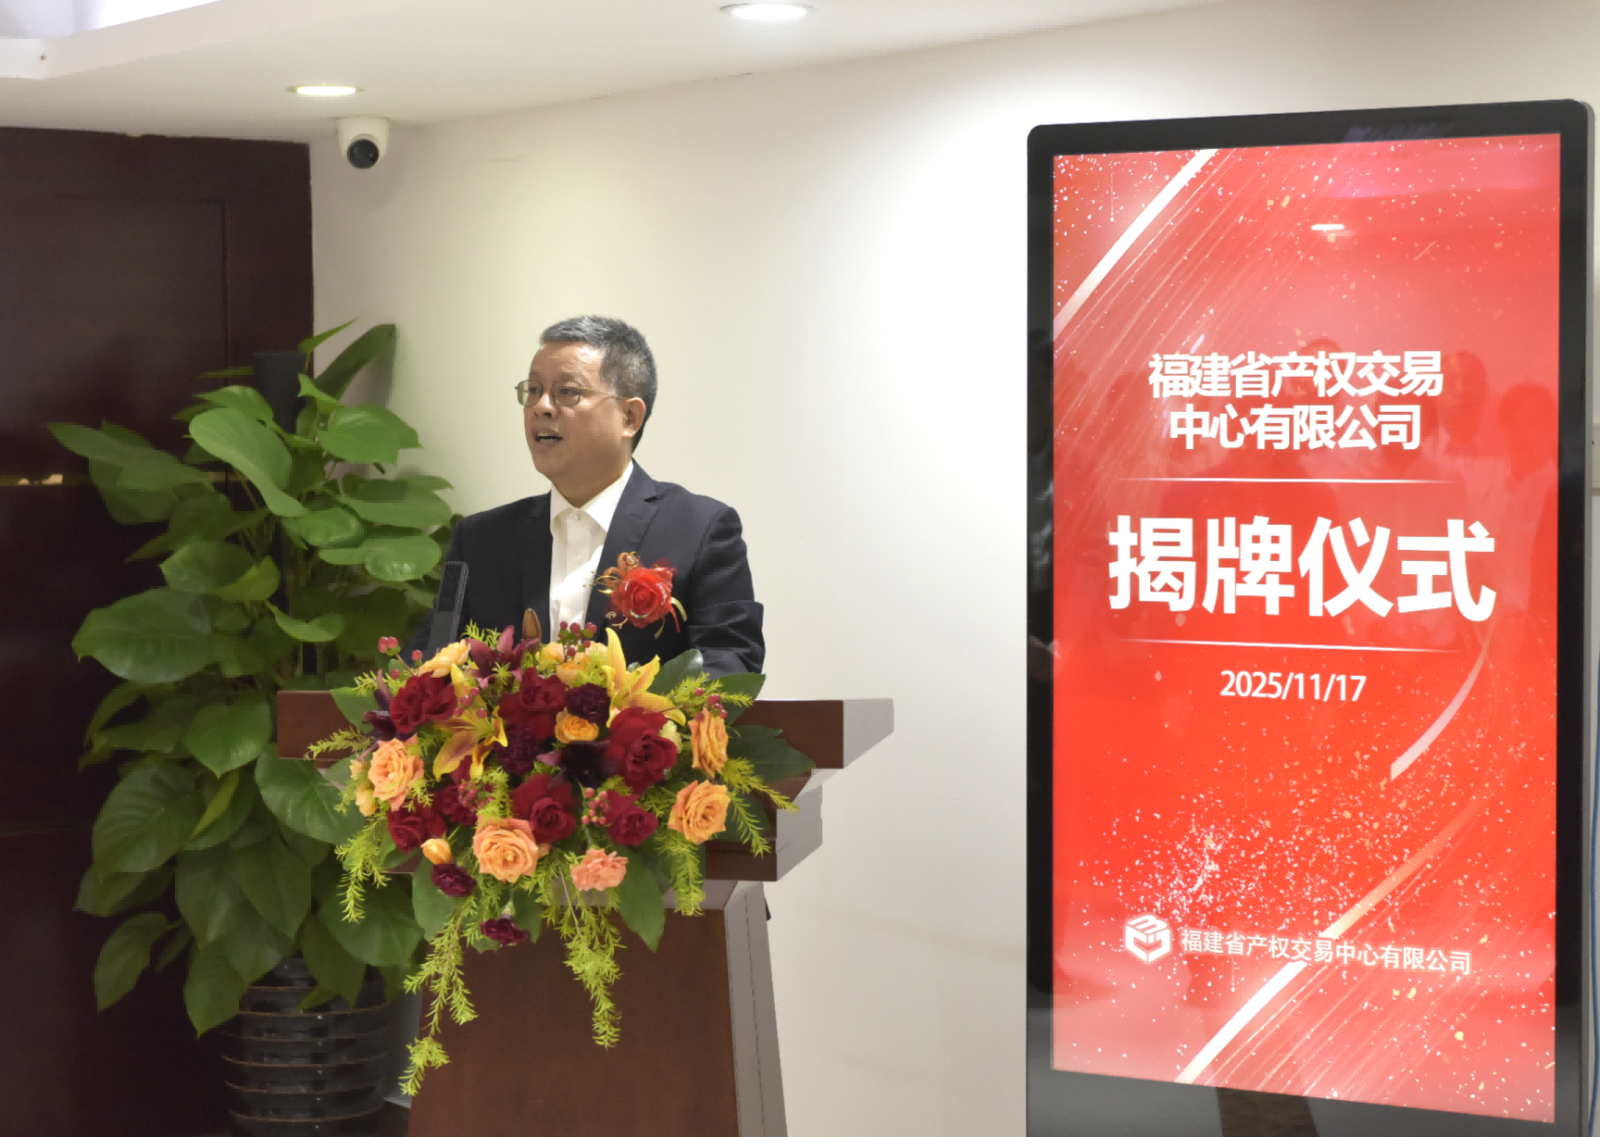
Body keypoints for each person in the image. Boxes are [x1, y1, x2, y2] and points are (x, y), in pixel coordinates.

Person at [408, 315, 763, 675]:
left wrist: (640, 708)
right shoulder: (479, 540)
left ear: (629, 417)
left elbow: (730, 662)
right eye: (533, 390)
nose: (541, 406)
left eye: (567, 392)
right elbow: (425, 666)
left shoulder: (700, 531)